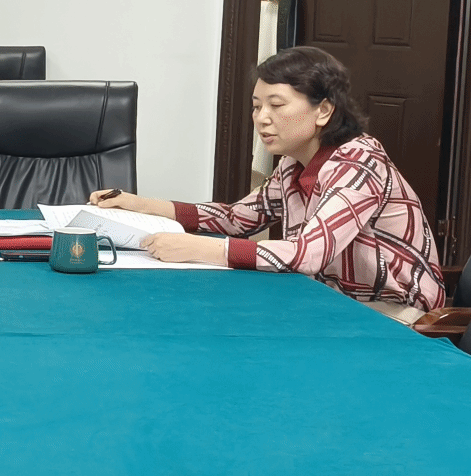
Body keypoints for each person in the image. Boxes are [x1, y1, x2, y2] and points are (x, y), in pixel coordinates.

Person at [89, 45, 445, 320]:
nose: (262, 119)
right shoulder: (293, 164)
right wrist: (141, 204)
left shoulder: (358, 163)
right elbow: (236, 219)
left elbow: (306, 255)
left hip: (396, 315)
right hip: (332, 302)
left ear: (324, 110)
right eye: (257, 106)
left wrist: (199, 249)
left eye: (277, 105)